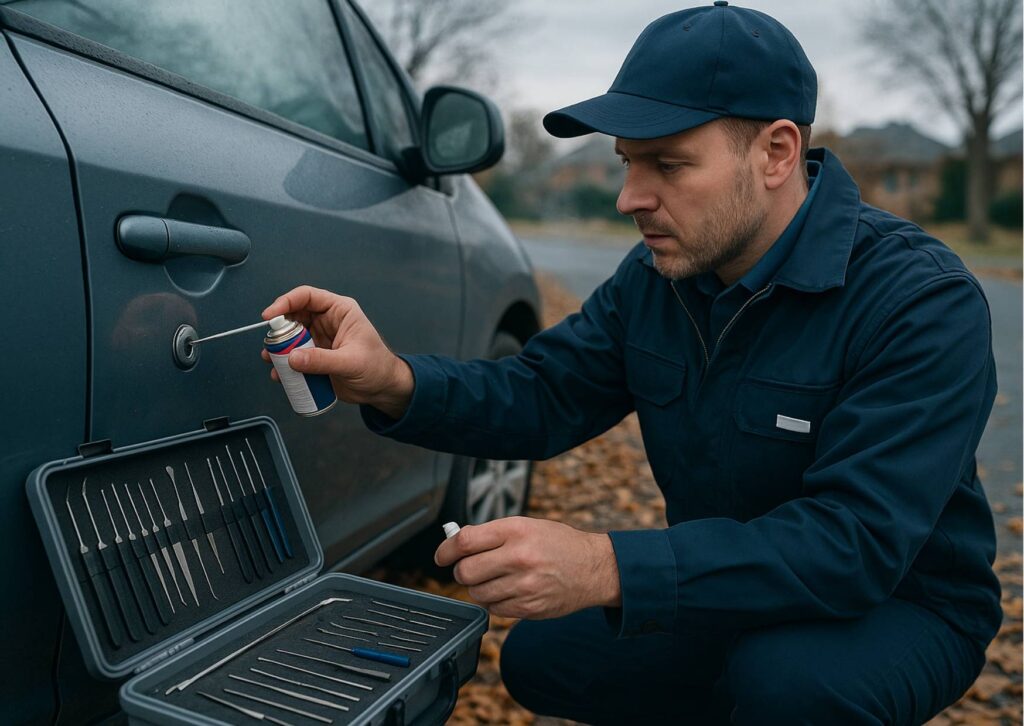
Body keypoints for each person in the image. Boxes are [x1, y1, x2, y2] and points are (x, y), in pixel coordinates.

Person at [261, 3, 1001, 723]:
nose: (628, 197)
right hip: (724, 588)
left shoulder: (919, 300)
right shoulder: (658, 277)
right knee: (544, 658)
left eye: (667, 165)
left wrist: (604, 566)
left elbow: (856, 543)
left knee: (788, 685)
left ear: (776, 153)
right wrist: (393, 379)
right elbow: (542, 391)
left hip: (902, 603)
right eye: (625, 163)